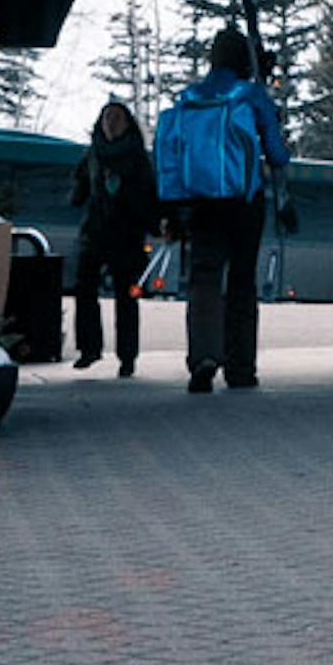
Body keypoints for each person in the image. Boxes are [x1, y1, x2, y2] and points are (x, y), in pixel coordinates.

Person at [156, 28, 290, 393]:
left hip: (200, 204)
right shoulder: (250, 96)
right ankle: (240, 367)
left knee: (203, 280)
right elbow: (277, 155)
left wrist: (171, 208)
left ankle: (202, 358)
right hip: (244, 203)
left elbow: (169, 157)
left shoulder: (189, 99)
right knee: (241, 282)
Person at [67, 99, 157, 377]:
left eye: (117, 118)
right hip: (94, 233)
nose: (111, 124)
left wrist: (154, 223)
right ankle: (89, 349)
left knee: (126, 297)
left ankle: (127, 356)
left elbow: (148, 197)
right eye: (107, 118)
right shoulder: (92, 154)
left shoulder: (138, 158)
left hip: (127, 235)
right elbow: (79, 189)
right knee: (84, 291)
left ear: (128, 124)